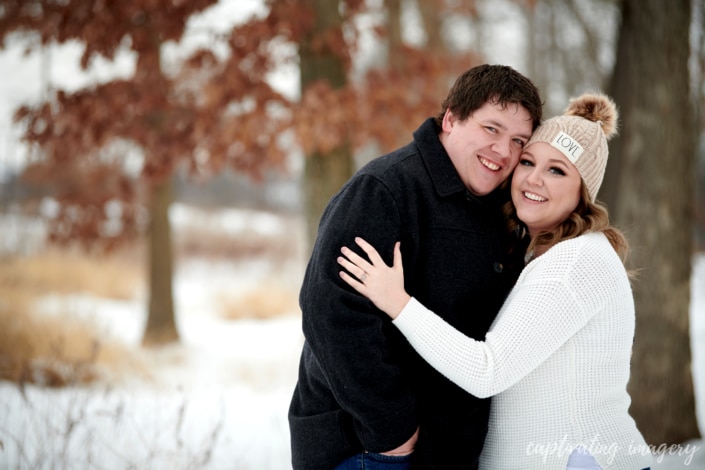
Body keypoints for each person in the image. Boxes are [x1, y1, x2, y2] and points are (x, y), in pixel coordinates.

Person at [337, 93, 653, 469]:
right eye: (529, 162)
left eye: (557, 170)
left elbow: (487, 370)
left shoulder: (576, 260)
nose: (533, 179)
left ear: (583, 193)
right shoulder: (537, 254)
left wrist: (398, 302)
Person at [288, 64, 543, 470]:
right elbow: (330, 311)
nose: (503, 152)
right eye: (491, 129)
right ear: (452, 119)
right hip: (369, 450)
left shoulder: (502, 212)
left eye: (518, 141)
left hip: (447, 451)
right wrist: (393, 430)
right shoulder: (386, 188)